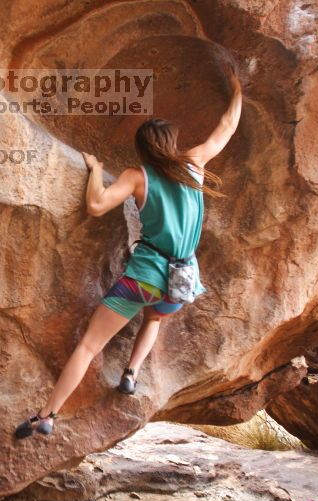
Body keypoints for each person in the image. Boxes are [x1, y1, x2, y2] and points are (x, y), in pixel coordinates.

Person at [14, 63, 242, 439]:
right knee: (154, 319)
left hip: (145, 276)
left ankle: (47, 416)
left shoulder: (138, 177)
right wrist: (236, 87)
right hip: (182, 281)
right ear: (170, 143)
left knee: (89, 345)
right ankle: (131, 374)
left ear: (144, 149)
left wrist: (94, 169)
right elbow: (227, 126)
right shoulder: (195, 163)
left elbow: (97, 206)